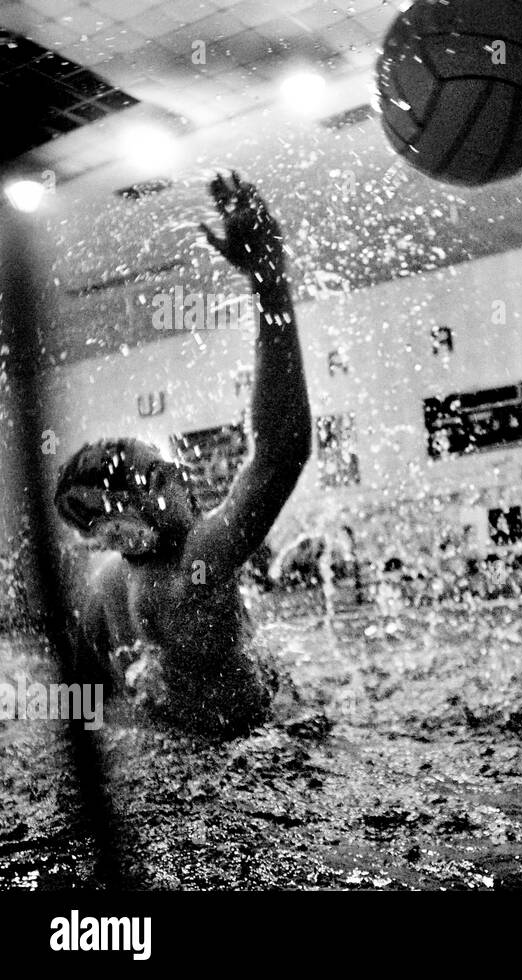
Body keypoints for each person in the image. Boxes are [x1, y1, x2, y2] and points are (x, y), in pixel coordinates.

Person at [53, 173, 311, 738]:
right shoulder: (200, 557)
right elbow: (282, 451)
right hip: (246, 753)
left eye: (166, 461)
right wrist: (269, 282)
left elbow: (83, 705)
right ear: (125, 524)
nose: (178, 470)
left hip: (177, 753)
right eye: (157, 475)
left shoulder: (103, 585)